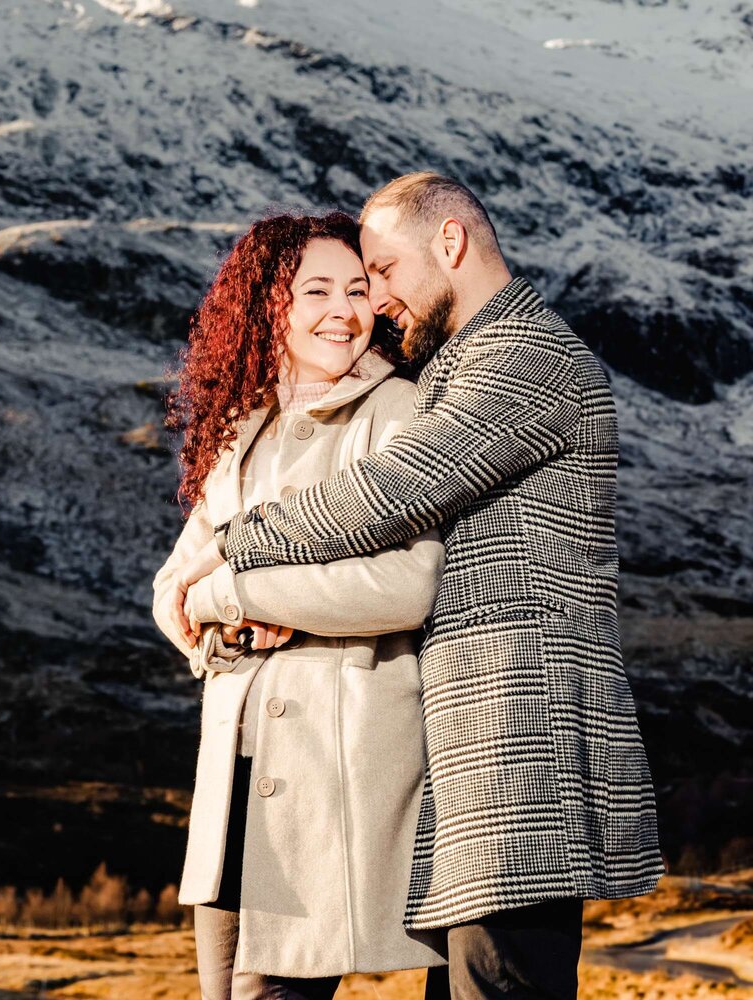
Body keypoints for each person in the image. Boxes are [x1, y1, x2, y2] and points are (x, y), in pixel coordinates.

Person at [174, 173, 666, 1000]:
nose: (379, 300)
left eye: (385, 272)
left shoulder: (527, 358)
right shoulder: (458, 362)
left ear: (451, 244)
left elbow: (395, 490)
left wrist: (231, 554)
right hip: (464, 746)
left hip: (520, 737)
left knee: (503, 986)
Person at [152, 211, 447, 1000]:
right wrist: (222, 625)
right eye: (315, 289)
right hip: (232, 775)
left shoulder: (397, 413)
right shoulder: (245, 425)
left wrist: (239, 592)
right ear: (267, 306)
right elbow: (171, 591)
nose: (343, 312)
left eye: (358, 289)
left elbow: (405, 585)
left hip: (329, 775)